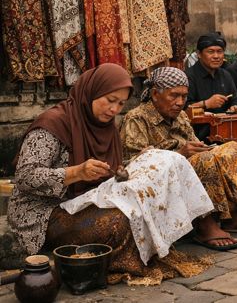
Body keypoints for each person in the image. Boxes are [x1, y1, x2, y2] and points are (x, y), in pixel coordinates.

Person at [7, 64, 214, 282]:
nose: (114, 109)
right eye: (109, 100)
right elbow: (25, 177)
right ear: (93, 91)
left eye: (121, 103)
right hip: (44, 212)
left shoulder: (105, 126)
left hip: (83, 201)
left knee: (142, 203)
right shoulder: (53, 124)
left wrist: (131, 164)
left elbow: (108, 169)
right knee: (119, 223)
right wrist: (76, 172)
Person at [120, 67, 237, 252]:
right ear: (154, 94)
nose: (180, 102)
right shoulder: (136, 119)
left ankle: (233, 213)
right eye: (174, 96)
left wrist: (201, 148)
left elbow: (194, 142)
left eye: (184, 97)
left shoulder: (181, 115)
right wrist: (179, 155)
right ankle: (204, 225)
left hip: (187, 165)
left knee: (232, 148)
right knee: (204, 160)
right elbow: (135, 162)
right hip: (160, 179)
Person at [186, 33, 237, 139]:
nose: (216, 56)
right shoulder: (188, 76)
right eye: (210, 51)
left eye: (220, 51)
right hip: (198, 136)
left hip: (226, 132)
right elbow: (183, 109)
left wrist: (236, 107)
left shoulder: (225, 75)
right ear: (199, 54)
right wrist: (206, 104)